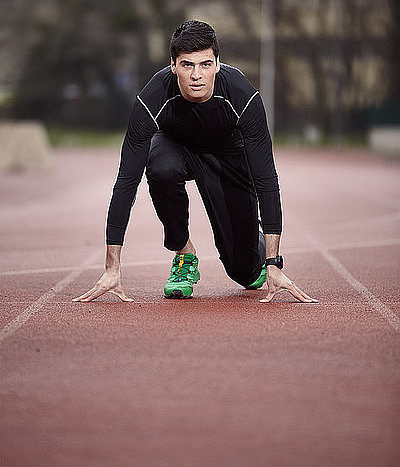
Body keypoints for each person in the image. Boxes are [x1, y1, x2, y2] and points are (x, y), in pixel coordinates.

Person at [73, 20, 317, 304]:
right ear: (173, 65)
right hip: (176, 147)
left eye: (205, 64)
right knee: (161, 168)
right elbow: (126, 181)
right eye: (187, 65)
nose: (196, 75)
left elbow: (266, 180)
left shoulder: (243, 96)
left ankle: (256, 242)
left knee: (246, 273)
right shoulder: (153, 97)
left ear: (217, 64)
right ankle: (184, 254)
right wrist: (111, 266)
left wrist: (273, 262)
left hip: (227, 157)